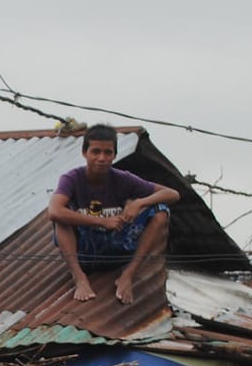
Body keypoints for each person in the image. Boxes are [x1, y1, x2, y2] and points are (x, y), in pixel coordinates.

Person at [48, 124, 178, 304]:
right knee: (62, 217)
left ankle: (127, 276)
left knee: (161, 211)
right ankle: (79, 278)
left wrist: (139, 202)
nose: (102, 158)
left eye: (107, 153)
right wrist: (102, 222)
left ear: (114, 155)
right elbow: (54, 211)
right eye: (96, 152)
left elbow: (172, 194)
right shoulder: (72, 179)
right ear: (85, 153)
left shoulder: (123, 179)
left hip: (117, 250)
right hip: (85, 252)